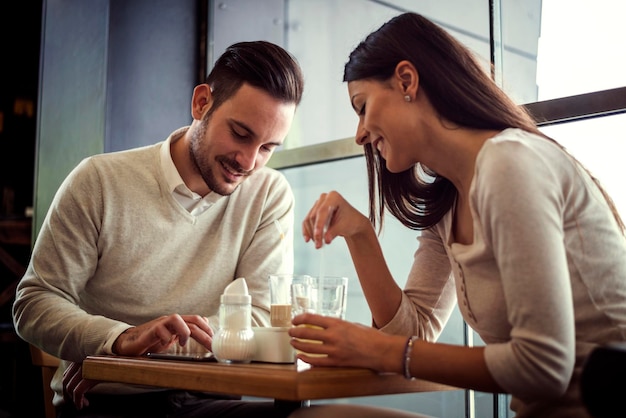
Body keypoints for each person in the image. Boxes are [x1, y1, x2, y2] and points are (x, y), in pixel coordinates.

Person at [288, 12, 626, 418]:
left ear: (407, 81)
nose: (359, 133)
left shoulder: (509, 162)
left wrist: (377, 348)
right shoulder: (449, 204)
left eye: (362, 107)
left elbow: (544, 368)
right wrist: (360, 235)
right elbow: (415, 334)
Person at [13, 40, 304, 417]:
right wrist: (119, 340)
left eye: (268, 148)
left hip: (212, 397)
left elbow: (263, 319)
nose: (248, 162)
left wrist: (148, 349)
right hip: (108, 401)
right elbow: (34, 303)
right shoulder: (99, 181)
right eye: (240, 134)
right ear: (202, 103)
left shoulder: (268, 194)